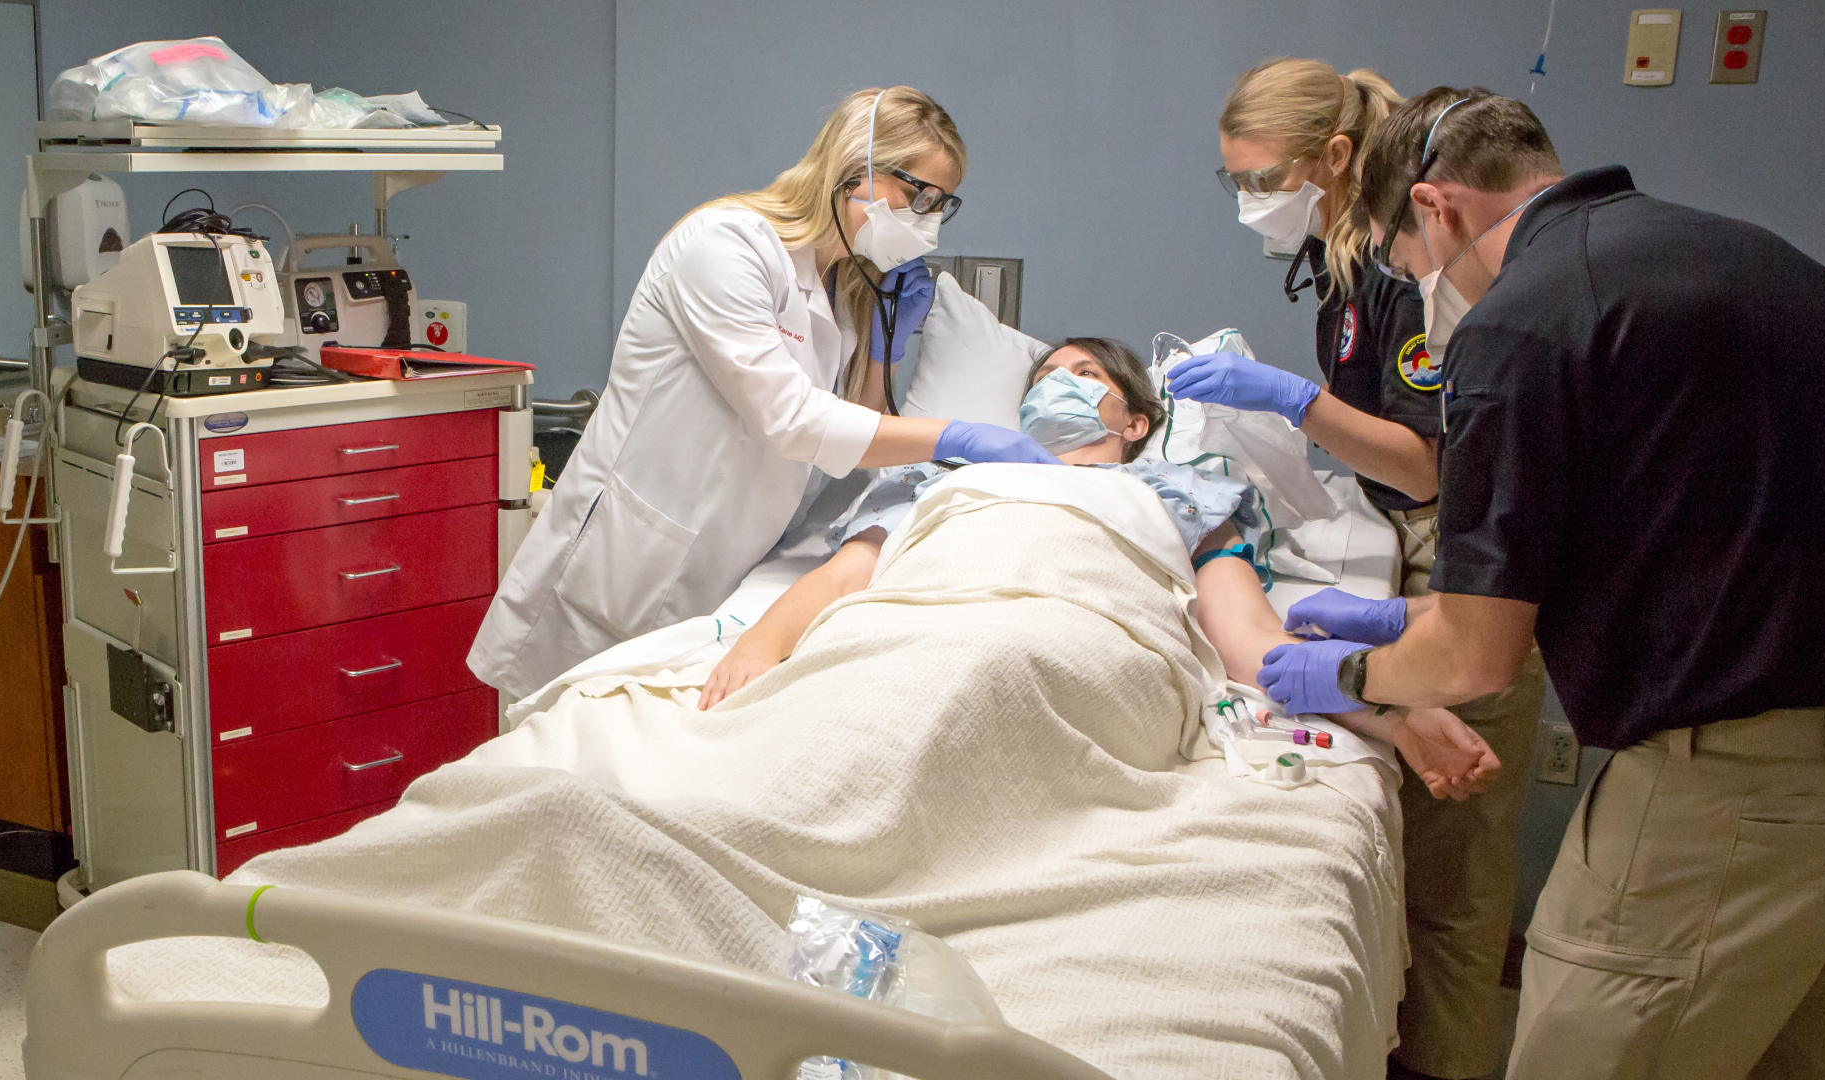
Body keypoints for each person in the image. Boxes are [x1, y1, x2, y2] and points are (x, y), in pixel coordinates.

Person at [1263, 87, 1825, 1080]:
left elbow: (1478, 660)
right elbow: (1671, 528)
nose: (1415, 283)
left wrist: (1349, 676)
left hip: (1735, 784)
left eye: (1403, 259)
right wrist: (1411, 614)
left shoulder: (1523, 325)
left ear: (1434, 208)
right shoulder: (1743, 257)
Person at [699, 337, 1502, 802]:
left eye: (1086, 376)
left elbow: (1247, 643)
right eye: (1047, 376)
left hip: (1082, 642)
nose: (1060, 382)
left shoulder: (1187, 492)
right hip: (920, 627)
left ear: (1137, 421)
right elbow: (848, 579)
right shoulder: (937, 475)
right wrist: (760, 648)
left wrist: (1391, 714)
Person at [1184, 59, 1548, 1079]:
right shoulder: (1344, 270)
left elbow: (1428, 463)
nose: (1252, 204)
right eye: (1238, 184)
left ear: (1334, 159)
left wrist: (1292, 405)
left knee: (1457, 880)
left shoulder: (1406, 270)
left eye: (1261, 180)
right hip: (1406, 562)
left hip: (1461, 561)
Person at [472, 87, 1061, 698]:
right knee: (557, 753)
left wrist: (885, 346)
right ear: (854, 167)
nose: (927, 222)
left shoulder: (846, 289)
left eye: (942, 204)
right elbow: (793, 420)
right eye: (917, 195)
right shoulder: (726, 245)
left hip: (736, 566)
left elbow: (857, 434)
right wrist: (957, 435)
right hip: (626, 566)